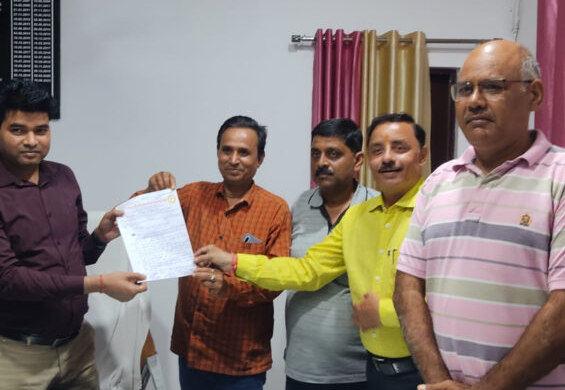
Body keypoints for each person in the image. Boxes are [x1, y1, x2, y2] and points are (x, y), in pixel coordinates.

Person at [394, 40, 565, 390]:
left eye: (492, 87)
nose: (474, 101)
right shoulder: (438, 182)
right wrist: (438, 380)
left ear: (534, 95)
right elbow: (407, 289)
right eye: (464, 89)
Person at [195, 113, 429, 390]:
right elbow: (306, 270)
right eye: (378, 150)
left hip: (412, 368)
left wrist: (384, 313)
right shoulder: (357, 217)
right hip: (342, 368)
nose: (387, 158)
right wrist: (233, 261)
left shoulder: (436, 211)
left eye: (399, 148)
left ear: (422, 156)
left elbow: (448, 301)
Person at [0, 80, 147, 390]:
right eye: (18, 130)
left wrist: (99, 237)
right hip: (17, 356)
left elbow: (77, 256)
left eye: (41, 130)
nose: (32, 140)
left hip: (77, 346)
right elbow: (9, 279)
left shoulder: (63, 177)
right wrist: (101, 284)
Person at [138, 115, 291, 390]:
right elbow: (139, 220)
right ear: (217, 152)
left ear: (260, 159)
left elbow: (277, 279)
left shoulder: (275, 209)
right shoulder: (194, 195)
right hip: (192, 350)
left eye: (244, 152)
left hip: (241, 358)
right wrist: (151, 192)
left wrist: (228, 286)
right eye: (226, 150)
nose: (233, 159)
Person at [286, 118, 378, 390]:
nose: (321, 162)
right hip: (300, 365)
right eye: (315, 154)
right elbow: (288, 270)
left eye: (333, 154)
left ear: (358, 160)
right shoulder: (301, 205)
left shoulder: (377, 208)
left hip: (357, 371)